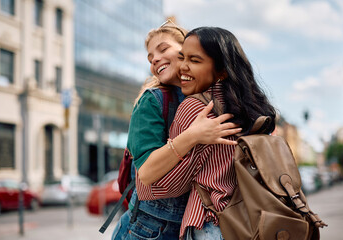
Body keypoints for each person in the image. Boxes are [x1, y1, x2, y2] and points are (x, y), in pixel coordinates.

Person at [136, 27, 277, 239]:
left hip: (211, 222)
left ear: (221, 70)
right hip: (254, 218)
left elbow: (160, 185)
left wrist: (189, 137)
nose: (184, 66)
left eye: (194, 60)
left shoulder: (194, 107)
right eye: (183, 57)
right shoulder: (253, 108)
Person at [112, 22, 240, 240]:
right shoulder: (151, 101)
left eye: (162, 49)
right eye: (150, 57)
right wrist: (193, 136)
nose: (154, 59)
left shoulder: (213, 95)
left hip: (192, 226)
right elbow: (147, 173)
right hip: (147, 228)